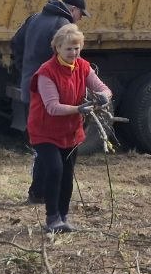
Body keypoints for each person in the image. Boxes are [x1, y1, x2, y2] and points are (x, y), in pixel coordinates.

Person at [28, 25, 111, 233]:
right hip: (44, 130)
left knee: (67, 173)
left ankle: (63, 216)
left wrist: (104, 96)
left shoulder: (83, 66)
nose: (73, 53)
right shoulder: (46, 72)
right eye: (69, 49)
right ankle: (52, 218)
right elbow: (52, 107)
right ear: (57, 48)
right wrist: (78, 108)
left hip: (70, 131)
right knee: (55, 170)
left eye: (77, 48)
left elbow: (103, 88)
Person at [12, 0, 90, 204]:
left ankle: (38, 191)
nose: (79, 19)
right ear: (72, 9)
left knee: (41, 144)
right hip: (50, 96)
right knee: (51, 145)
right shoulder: (63, 24)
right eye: (80, 14)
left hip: (31, 89)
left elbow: (15, 44)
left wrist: (25, 71)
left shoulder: (34, 18)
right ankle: (40, 192)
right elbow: (68, 63)